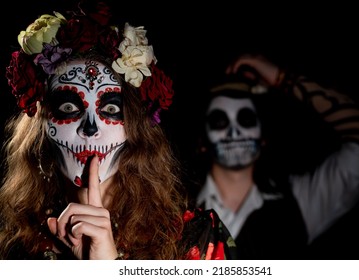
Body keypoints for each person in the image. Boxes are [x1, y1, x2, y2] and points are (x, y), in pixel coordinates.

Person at [0, 0, 236, 260]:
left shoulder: (197, 239)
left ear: (135, 129)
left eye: (111, 110)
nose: (90, 129)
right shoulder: (15, 249)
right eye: (69, 107)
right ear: (41, 128)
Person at [190, 53, 359, 259]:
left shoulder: (300, 201)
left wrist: (282, 79)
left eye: (246, 119)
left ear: (262, 135)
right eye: (219, 121)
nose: (234, 132)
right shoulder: (178, 207)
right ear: (202, 141)